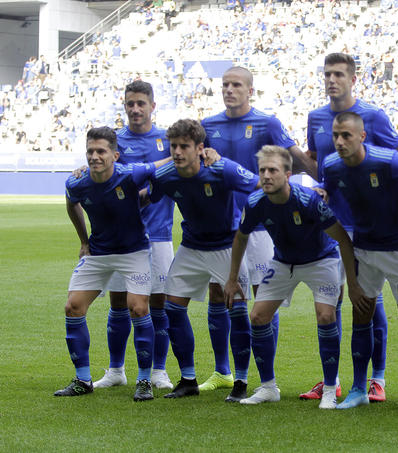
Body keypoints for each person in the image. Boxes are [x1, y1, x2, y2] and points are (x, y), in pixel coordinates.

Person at [201, 67, 318, 400]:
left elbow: (293, 156)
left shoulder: (267, 123)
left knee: (262, 297)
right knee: (221, 295)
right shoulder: (209, 126)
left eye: (236, 85)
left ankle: (268, 379)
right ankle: (226, 373)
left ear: (250, 90)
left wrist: (322, 178)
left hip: (264, 224)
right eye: (225, 85)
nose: (229, 90)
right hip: (224, 224)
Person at [224, 145, 368, 409]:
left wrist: (353, 282)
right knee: (257, 317)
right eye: (263, 170)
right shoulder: (255, 202)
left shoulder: (308, 201)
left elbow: (344, 241)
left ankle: (328, 389)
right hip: (283, 262)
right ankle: (268, 387)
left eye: (273, 170)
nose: (266, 176)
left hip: (322, 260)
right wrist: (232, 278)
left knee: (326, 316)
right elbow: (241, 237)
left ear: (288, 174)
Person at [303, 52, 398, 402]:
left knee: (368, 301)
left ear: (352, 79)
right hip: (333, 223)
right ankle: (331, 378)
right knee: (330, 298)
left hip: (370, 228)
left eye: (339, 74)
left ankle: (375, 378)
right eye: (327, 74)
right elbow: (320, 167)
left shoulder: (373, 116)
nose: (332, 80)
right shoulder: (316, 118)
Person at [55, 126, 170, 401]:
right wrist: (84, 242)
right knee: (73, 307)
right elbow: (71, 204)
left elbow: (162, 165)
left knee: (139, 308)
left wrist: (188, 155)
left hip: (134, 253)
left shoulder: (131, 174)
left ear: (115, 155)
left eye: (101, 151)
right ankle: (83, 379)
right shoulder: (77, 183)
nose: (95, 156)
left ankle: (144, 380)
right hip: (99, 253)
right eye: (90, 151)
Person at [147, 119, 259, 399]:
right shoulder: (167, 175)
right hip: (191, 248)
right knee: (172, 309)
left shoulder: (223, 169)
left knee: (238, 310)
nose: (177, 152)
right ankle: (187, 379)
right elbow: (147, 196)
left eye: (184, 146)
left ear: (200, 148)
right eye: (173, 146)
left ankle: (241, 382)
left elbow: (259, 186)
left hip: (226, 248)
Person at [322, 112, 398, 410]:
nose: (339, 141)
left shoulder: (387, 160)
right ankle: (358, 389)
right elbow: (332, 195)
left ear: (362, 136)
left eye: (346, 135)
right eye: (336, 135)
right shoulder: (331, 166)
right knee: (361, 315)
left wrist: (396, 205)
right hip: (364, 248)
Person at [91, 80, 175, 391]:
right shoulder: (115, 142)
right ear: (124, 106)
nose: (135, 109)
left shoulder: (167, 140)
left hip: (158, 233)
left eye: (141, 103)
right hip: (120, 236)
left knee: (157, 304)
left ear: (153, 106)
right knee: (118, 303)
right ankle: (115, 370)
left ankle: (159, 370)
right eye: (130, 104)